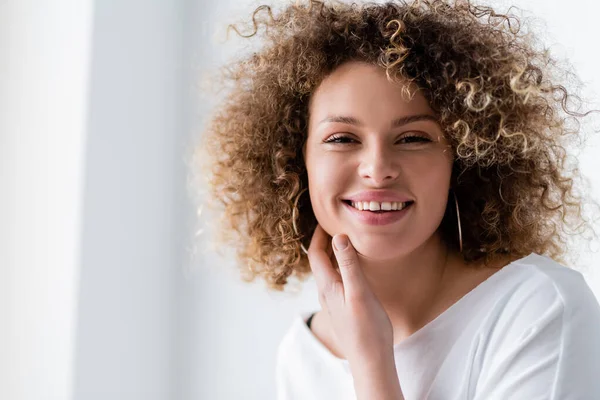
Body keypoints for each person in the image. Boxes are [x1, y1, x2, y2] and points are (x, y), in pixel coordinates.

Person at [196, 0, 600, 398]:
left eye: (412, 138)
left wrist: (370, 359)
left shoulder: (539, 310)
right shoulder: (303, 355)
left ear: (462, 160)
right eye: (342, 139)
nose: (377, 168)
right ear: (293, 161)